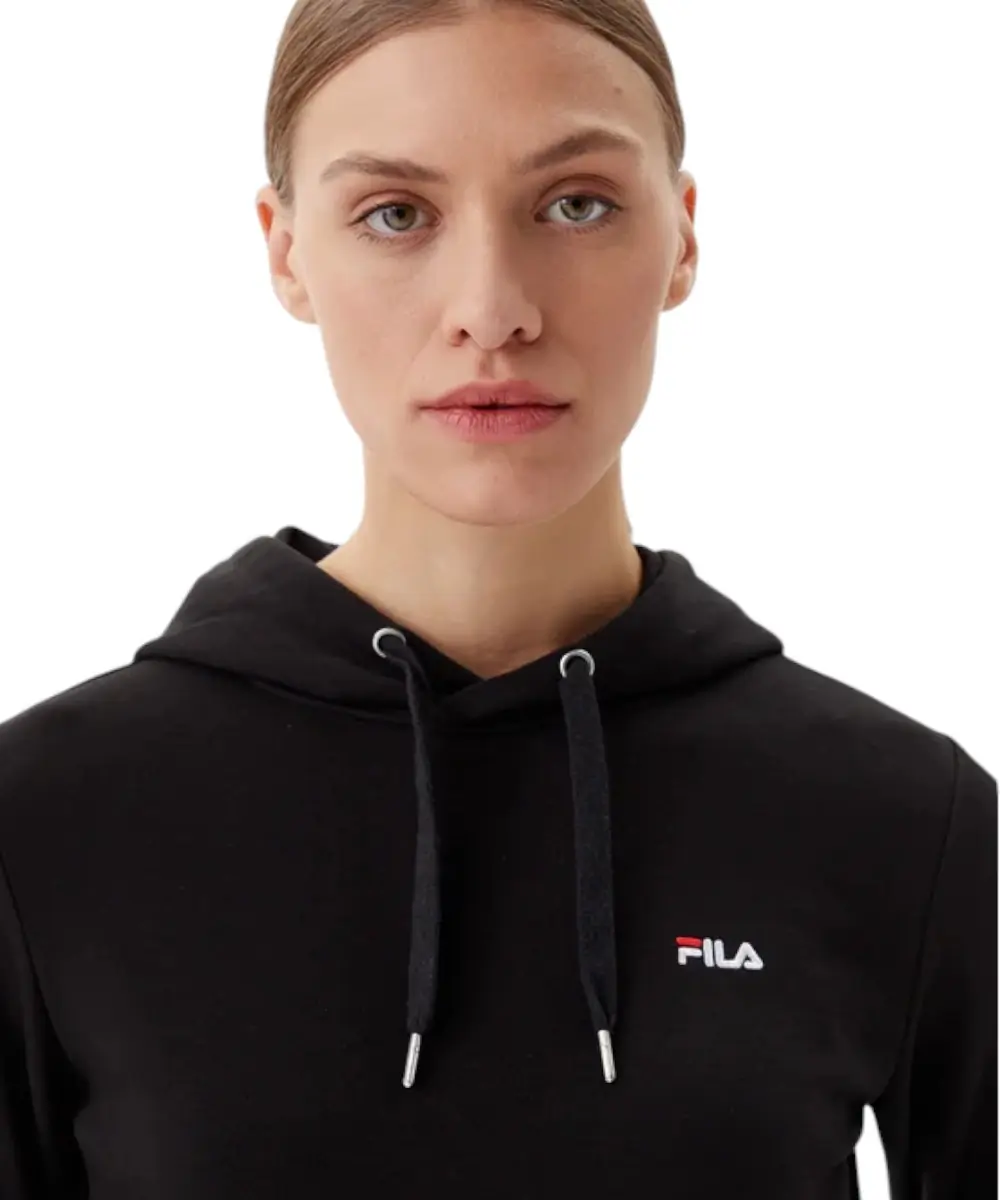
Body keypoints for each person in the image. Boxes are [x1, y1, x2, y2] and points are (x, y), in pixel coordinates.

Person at [0, 0, 995, 1196]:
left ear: (682, 237)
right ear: (285, 251)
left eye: (575, 204)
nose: (492, 308)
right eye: (396, 213)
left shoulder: (904, 821)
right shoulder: (43, 823)